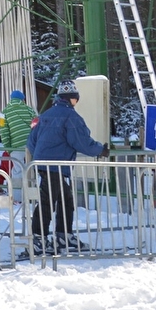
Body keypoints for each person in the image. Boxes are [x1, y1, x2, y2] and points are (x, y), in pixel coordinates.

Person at [26, 84, 108, 256]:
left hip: (43, 164)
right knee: (48, 202)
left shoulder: (45, 115)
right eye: (76, 98)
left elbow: (31, 141)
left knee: (65, 200)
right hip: (56, 165)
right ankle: (39, 239)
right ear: (71, 98)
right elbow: (81, 140)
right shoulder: (71, 117)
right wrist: (100, 150)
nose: (76, 102)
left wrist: (40, 156)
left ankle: (64, 234)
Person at [0, 89, 36, 199]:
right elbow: (36, 124)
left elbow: (3, 131)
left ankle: (17, 198)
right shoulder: (29, 109)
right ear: (22, 99)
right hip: (30, 144)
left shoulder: (3, 112)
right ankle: (31, 197)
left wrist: (8, 147)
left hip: (16, 145)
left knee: (17, 170)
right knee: (31, 170)